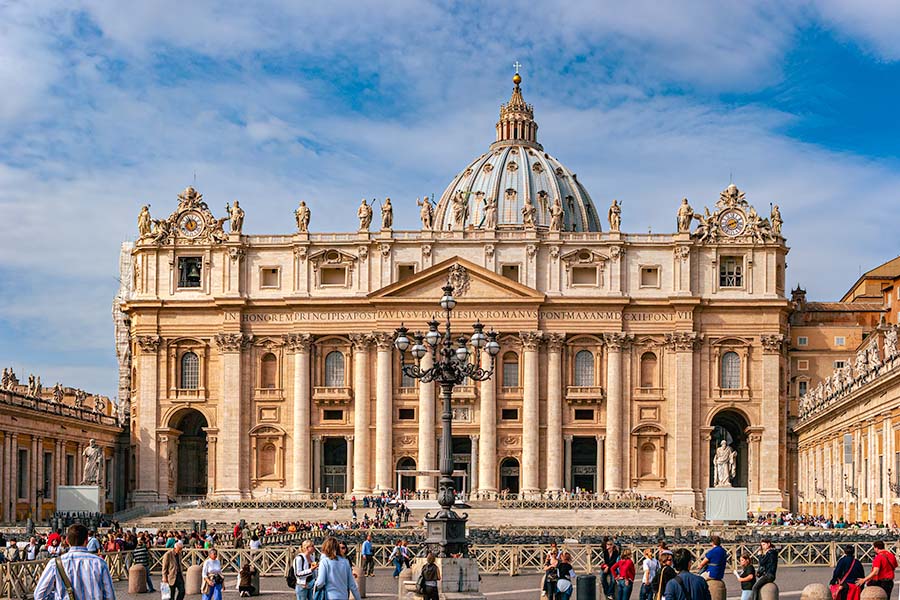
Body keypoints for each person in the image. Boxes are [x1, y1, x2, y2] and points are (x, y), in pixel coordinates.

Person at [33, 523, 116, 600]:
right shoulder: (100, 563)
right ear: (86, 541)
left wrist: (59, 596)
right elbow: (110, 597)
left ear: (67, 541)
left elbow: (39, 595)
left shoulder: (55, 563)